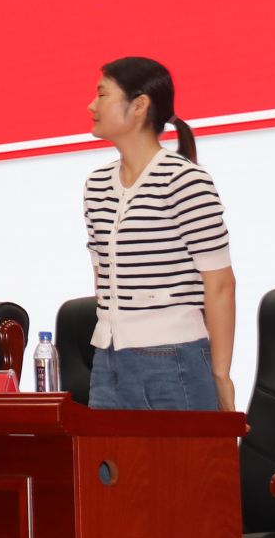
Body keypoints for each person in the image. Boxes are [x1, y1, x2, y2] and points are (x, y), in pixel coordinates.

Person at [83, 57, 237, 411]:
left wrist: (220, 376)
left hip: (174, 358)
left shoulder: (185, 180)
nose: (91, 106)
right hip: (108, 359)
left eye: (102, 95)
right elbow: (102, 275)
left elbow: (220, 284)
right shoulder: (96, 184)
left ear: (139, 105)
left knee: (181, 451)